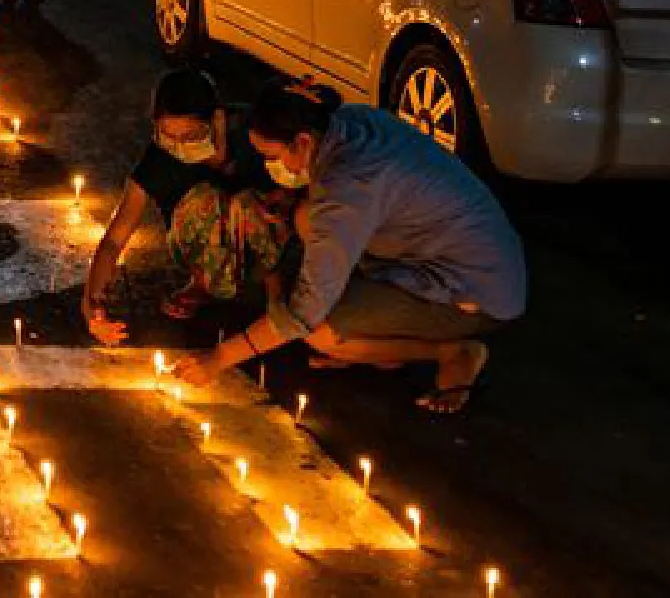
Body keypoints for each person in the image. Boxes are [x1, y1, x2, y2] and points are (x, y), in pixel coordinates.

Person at [172, 81, 528, 415]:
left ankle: (452, 351)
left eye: (273, 155)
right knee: (305, 217)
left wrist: (218, 358)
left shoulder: (347, 188)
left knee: (320, 331)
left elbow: (302, 314)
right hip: (447, 252)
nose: (271, 167)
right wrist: (291, 197)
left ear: (303, 142)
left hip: (475, 292)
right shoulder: (350, 123)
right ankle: (371, 339)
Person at [81, 69, 296, 344]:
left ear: (217, 119)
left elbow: (299, 180)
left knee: (240, 201)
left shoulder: (253, 134)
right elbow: (113, 240)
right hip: (206, 254)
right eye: (168, 136)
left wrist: (279, 200)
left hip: (270, 244)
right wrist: (92, 307)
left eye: (191, 135)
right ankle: (202, 282)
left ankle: (276, 297)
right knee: (203, 200)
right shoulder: (159, 161)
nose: (179, 147)